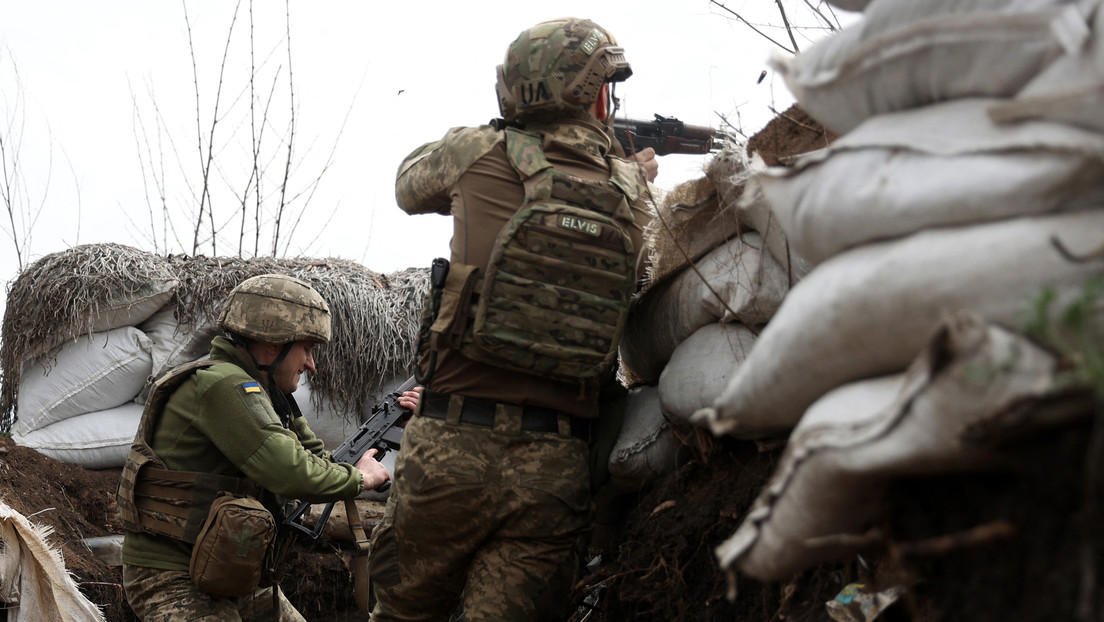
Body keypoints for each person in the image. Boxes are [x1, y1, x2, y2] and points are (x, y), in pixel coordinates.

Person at [370, 17, 658, 622]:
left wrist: (495, 132)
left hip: (447, 449)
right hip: (555, 468)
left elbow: (406, 185)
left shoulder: (474, 151)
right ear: (597, 96)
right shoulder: (635, 193)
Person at [117, 273, 419, 621]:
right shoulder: (224, 385)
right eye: (306, 349)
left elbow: (318, 459)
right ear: (274, 344)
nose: (310, 364)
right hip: (172, 577)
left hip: (229, 572)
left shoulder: (267, 393)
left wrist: (397, 426)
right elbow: (290, 472)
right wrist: (360, 479)